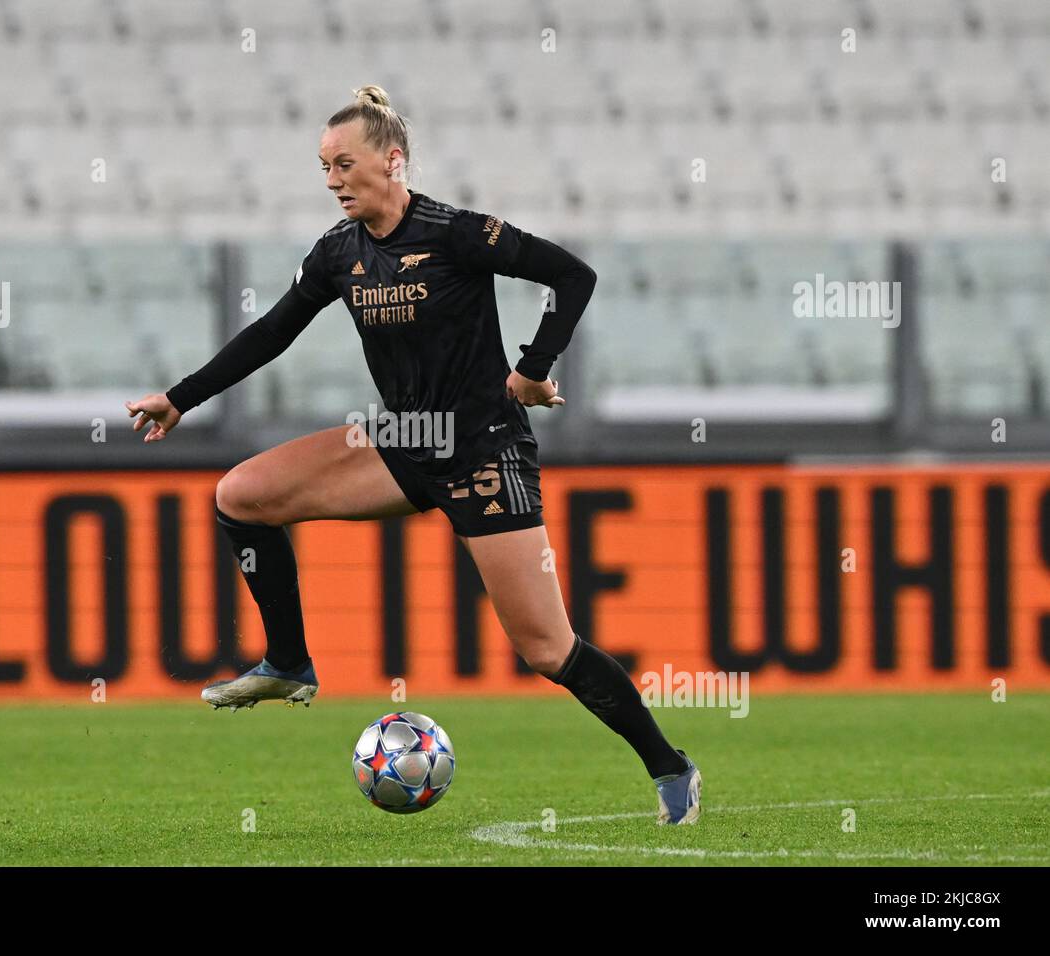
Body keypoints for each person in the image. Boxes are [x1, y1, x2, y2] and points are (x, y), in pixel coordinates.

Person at [126, 85, 701, 823]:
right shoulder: (337, 255)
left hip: (483, 450)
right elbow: (271, 332)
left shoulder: (458, 233)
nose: (333, 180)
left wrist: (531, 369)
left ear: (392, 162)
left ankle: (671, 768)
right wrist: (181, 398)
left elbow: (572, 276)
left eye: (345, 163)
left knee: (547, 649)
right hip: (402, 442)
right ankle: (289, 662)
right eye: (324, 167)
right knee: (242, 495)